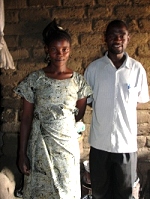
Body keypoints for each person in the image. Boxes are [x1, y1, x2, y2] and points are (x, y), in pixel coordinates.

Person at [14, 19, 92, 199]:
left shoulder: (78, 81)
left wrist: (61, 124)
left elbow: (78, 114)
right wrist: (21, 153)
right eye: (55, 49)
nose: (60, 54)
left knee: (66, 191)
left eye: (64, 49)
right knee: (41, 191)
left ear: (70, 50)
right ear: (47, 51)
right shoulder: (35, 80)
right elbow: (25, 119)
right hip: (40, 147)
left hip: (66, 148)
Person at [84, 20, 149, 199]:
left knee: (125, 194)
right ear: (105, 38)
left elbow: (137, 101)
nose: (117, 39)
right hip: (99, 144)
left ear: (128, 38)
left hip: (126, 145)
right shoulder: (94, 69)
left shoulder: (137, 70)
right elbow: (88, 100)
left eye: (122, 35)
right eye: (112, 35)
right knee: (99, 192)